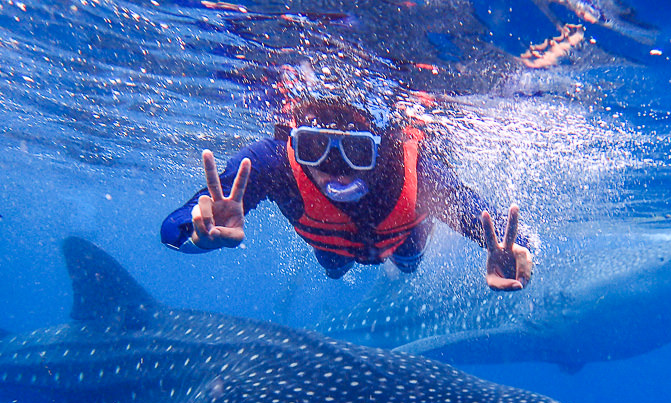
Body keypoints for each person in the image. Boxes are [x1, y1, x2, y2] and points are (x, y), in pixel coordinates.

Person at [161, 96, 532, 291]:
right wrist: (199, 236)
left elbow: (502, 230)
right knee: (334, 270)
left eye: (354, 151)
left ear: (381, 147)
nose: (334, 169)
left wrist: (513, 254)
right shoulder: (269, 164)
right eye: (313, 148)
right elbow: (173, 228)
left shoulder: (415, 173)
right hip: (332, 244)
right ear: (294, 144)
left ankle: (399, 266)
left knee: (408, 264)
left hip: (402, 236)